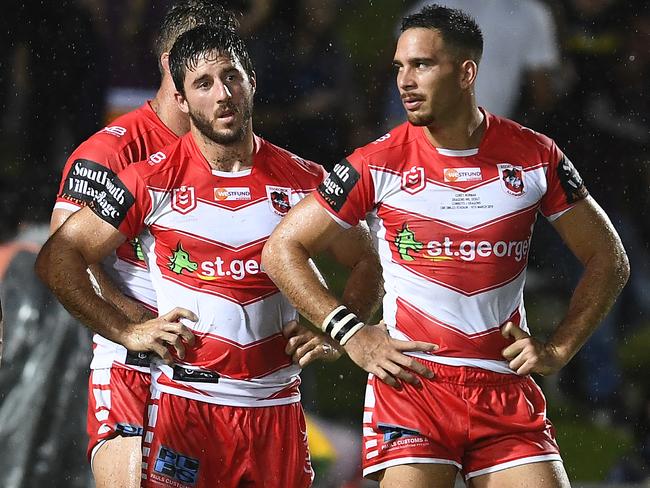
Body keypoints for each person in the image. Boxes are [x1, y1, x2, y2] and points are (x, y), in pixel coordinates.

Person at [261, 4, 629, 487]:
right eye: (399, 67)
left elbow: (609, 258)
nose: (404, 81)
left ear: (466, 72)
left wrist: (558, 348)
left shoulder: (535, 155)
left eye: (422, 65)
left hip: (504, 390)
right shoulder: (378, 161)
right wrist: (352, 333)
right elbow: (281, 249)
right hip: (414, 388)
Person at [35, 24, 402, 487]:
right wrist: (124, 328)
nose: (223, 94)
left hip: (277, 409)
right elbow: (58, 255)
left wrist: (334, 331)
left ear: (253, 82)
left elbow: (370, 258)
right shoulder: (148, 179)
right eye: (204, 84)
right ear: (183, 100)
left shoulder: (304, 179)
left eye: (232, 77)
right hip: (187, 409)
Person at [46, 2, 239, 487]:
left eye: (229, 67)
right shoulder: (111, 151)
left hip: (223, 378)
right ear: (169, 62)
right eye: (200, 65)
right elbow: (60, 255)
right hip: (137, 368)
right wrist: (134, 323)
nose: (220, 86)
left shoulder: (233, 146)